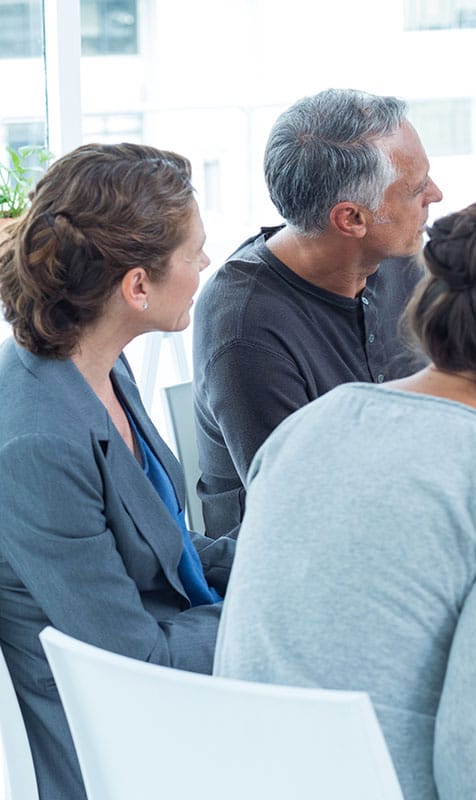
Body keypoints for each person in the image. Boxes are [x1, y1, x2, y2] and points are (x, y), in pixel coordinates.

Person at [191, 88, 476, 777]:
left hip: (426, 514)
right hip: (329, 563)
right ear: (350, 217)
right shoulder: (245, 325)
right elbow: (328, 523)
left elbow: (460, 394)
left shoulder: (396, 263)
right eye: (415, 188)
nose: (436, 193)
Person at [0, 143, 236, 800]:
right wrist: (276, 611)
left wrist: (286, 561)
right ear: (137, 286)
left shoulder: (100, 364)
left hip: (173, 677)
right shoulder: (35, 439)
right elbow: (134, 662)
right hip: (116, 740)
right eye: (194, 254)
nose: (206, 266)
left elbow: (167, 547)